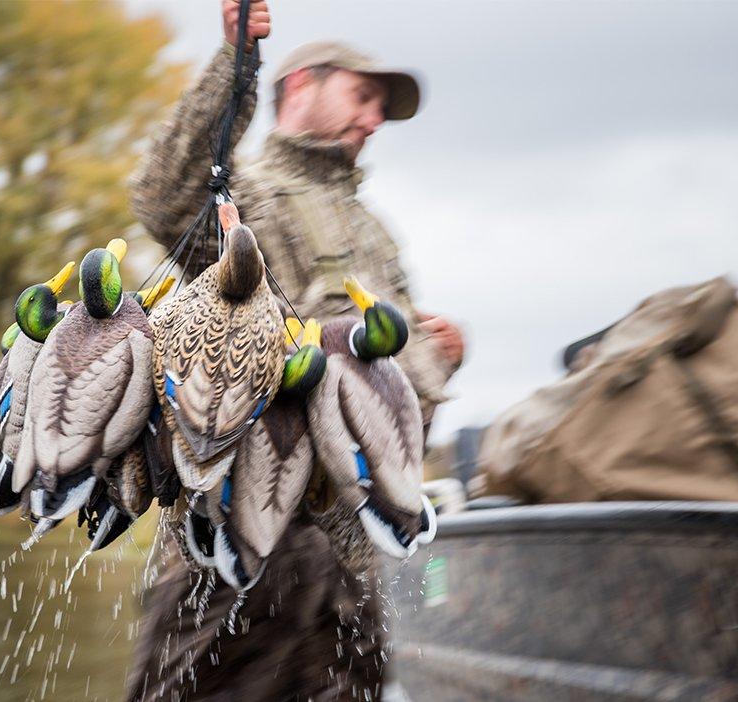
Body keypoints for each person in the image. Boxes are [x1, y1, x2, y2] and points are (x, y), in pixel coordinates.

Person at [125, 2, 464, 699]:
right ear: (301, 87)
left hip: (352, 557)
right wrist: (235, 65)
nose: (373, 119)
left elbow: (385, 383)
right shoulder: (249, 196)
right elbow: (166, 197)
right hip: (241, 539)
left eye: (380, 109)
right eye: (362, 96)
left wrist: (437, 355)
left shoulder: (375, 228)